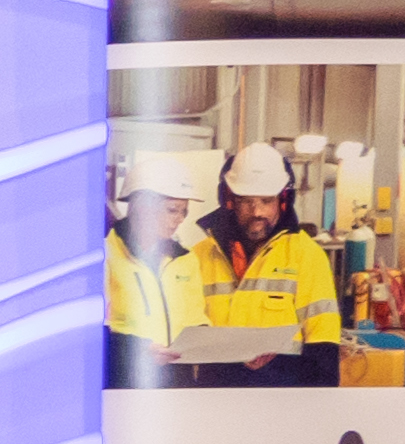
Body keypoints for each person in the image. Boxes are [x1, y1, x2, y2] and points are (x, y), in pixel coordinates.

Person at [182, 139, 345, 384]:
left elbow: (323, 340)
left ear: (282, 200)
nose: (257, 212)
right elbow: (184, 328)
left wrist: (318, 410)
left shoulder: (305, 255)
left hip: (283, 392)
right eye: (247, 201)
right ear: (230, 200)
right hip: (215, 391)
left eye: (266, 201)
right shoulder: (199, 256)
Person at [106, 148, 208, 385]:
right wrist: (137, 349)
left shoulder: (185, 260)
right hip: (123, 380)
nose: (180, 219)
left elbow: (195, 320)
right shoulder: (104, 256)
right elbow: (88, 336)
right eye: (172, 209)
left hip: (176, 381)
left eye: (184, 211)